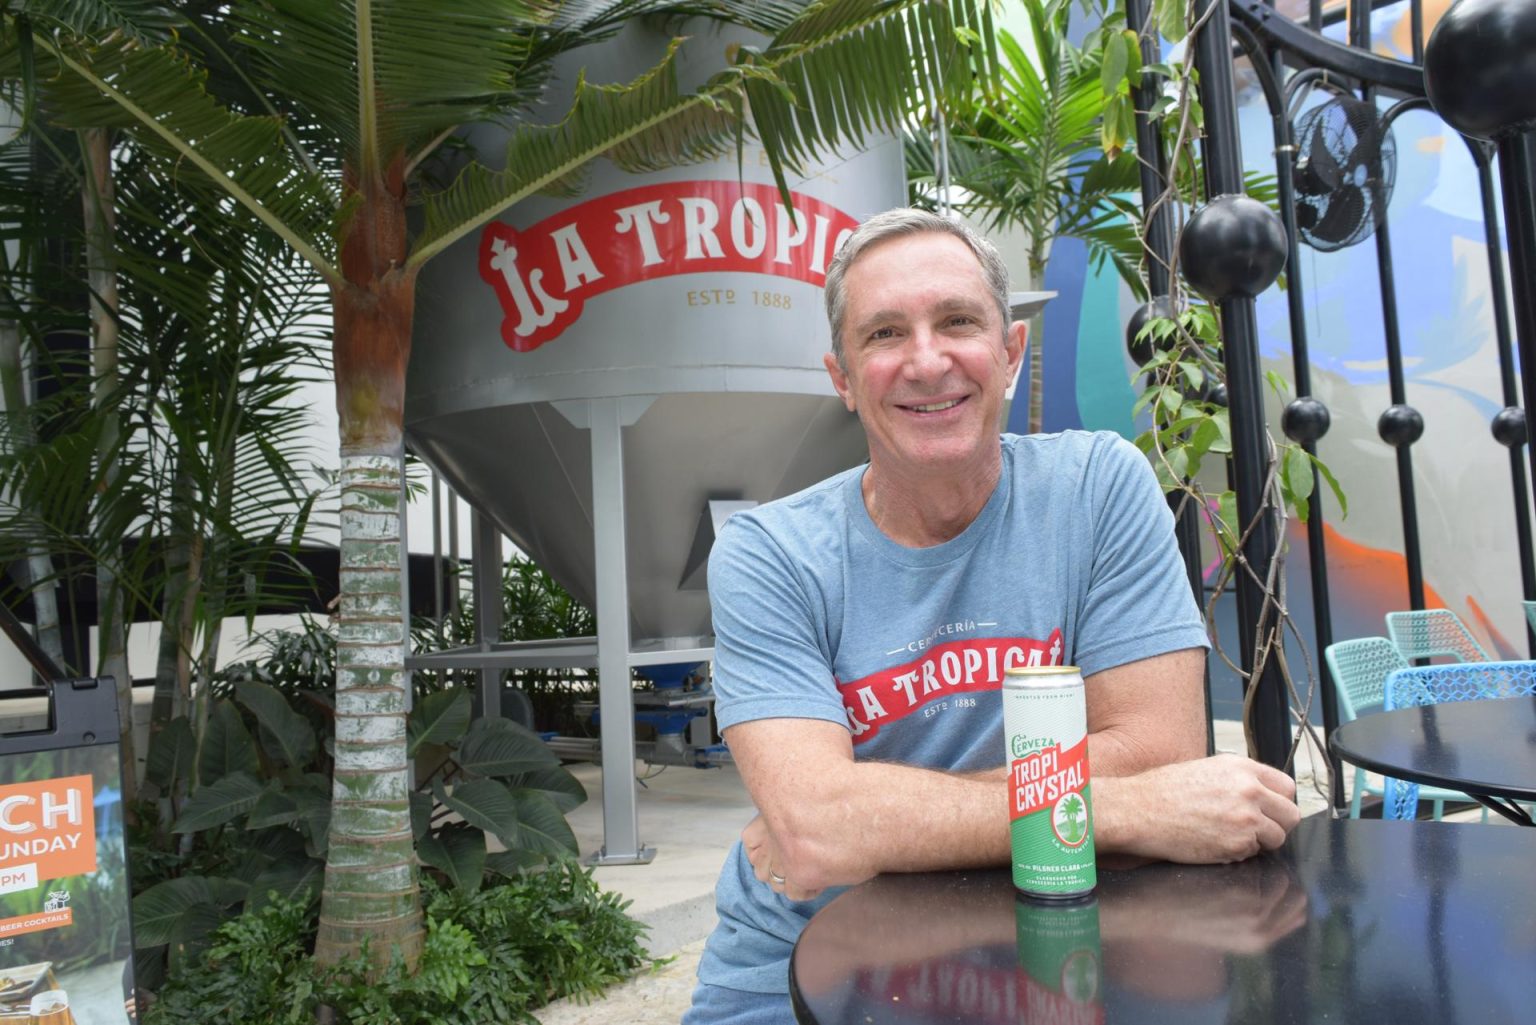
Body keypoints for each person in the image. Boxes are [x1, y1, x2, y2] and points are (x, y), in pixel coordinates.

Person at [682, 208, 1301, 1025]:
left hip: (1053, 939)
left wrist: (873, 816)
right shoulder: (770, 553)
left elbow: (1159, 750)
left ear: (1011, 352)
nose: (927, 360)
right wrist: (1118, 808)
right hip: (800, 961)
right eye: (885, 334)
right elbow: (820, 833)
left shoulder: (1095, 489)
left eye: (958, 321)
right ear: (841, 378)